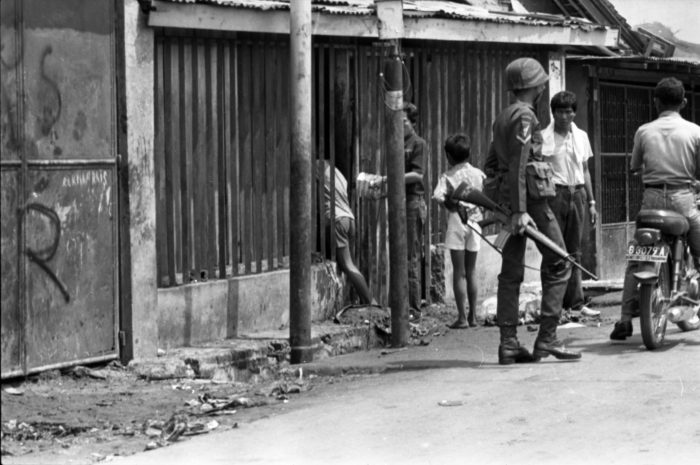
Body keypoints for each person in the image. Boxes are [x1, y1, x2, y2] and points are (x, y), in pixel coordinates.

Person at [483, 57, 581, 365]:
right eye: (541, 83)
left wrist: (505, 205)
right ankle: (547, 339)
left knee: (510, 272)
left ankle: (509, 343)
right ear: (536, 86)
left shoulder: (503, 116)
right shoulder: (525, 117)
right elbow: (519, 164)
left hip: (509, 201)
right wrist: (521, 210)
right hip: (530, 203)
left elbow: (491, 165)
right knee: (561, 262)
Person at [610, 77, 700, 341]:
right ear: (683, 102)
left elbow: (635, 166)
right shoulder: (694, 131)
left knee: (636, 259)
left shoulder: (643, 130)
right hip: (682, 200)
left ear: (656, 102)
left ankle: (624, 320)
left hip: (650, 202)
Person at [541, 91, 600, 318]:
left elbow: (584, 170)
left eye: (569, 111)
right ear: (553, 113)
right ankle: (553, 306)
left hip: (578, 195)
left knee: (574, 249)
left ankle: (575, 304)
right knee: (555, 249)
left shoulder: (581, 136)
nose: (564, 116)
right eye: (560, 111)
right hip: (554, 195)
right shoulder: (543, 137)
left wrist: (592, 202)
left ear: (574, 113)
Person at [433, 133, 485, 329]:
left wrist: (451, 203)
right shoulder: (479, 174)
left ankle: (462, 317)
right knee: (472, 270)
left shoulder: (447, 176)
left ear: (449, 156)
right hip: (476, 221)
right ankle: (473, 316)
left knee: (459, 272)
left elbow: (438, 197)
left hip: (457, 221)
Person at [319, 159, 376, 306]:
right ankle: (366, 301)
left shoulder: (316, 167)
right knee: (349, 263)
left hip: (337, 219)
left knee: (348, 265)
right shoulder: (337, 173)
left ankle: (371, 303)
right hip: (349, 218)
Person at [403, 103, 428, 314]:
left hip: (413, 201)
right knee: (402, 253)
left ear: (412, 123)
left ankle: (414, 309)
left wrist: (392, 178)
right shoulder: (397, 143)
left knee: (411, 254)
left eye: (403, 122)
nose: (399, 126)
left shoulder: (418, 144)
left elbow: (418, 174)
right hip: (400, 202)